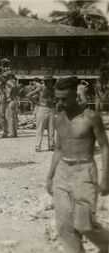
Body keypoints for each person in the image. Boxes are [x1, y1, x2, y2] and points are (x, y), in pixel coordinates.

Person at [46, 77, 109, 253]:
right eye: (58, 99)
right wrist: (50, 176)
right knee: (65, 227)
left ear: (76, 95)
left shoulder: (91, 117)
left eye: (65, 99)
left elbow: (104, 146)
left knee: (84, 224)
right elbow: (58, 149)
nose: (60, 103)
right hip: (62, 172)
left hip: (85, 172)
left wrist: (106, 177)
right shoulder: (58, 119)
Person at [27, 76, 55, 152]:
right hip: (42, 108)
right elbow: (28, 95)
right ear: (47, 81)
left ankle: (51, 146)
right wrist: (38, 103)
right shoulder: (41, 88)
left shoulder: (53, 89)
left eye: (52, 81)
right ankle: (37, 146)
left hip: (51, 109)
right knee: (40, 128)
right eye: (50, 81)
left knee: (51, 129)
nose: (52, 82)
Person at [4, 72, 19, 138]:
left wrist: (10, 95)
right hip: (14, 100)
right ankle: (15, 132)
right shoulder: (14, 81)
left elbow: (13, 87)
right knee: (14, 117)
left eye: (5, 76)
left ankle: (11, 133)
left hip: (11, 100)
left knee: (9, 117)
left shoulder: (8, 82)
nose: (4, 78)